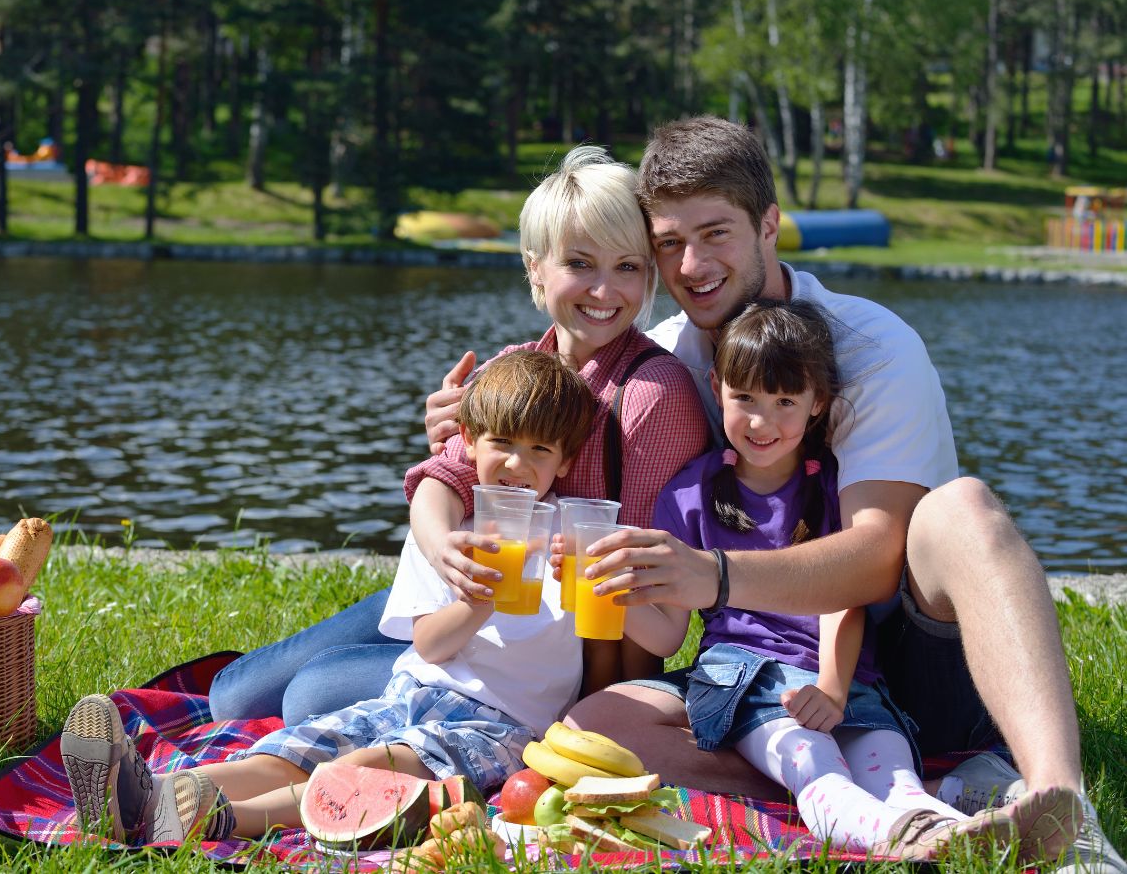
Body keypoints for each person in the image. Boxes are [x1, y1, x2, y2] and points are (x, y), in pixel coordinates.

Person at [537, 115, 1114, 871]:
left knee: (962, 508)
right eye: (670, 244)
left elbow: (877, 557)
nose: (692, 263)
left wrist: (712, 574)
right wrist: (464, 424)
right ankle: (879, 799)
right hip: (758, 675)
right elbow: (568, 364)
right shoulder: (676, 355)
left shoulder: (871, 345)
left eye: (716, 233)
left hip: (905, 657)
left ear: (771, 225)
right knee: (594, 730)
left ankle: (1059, 806)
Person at [61, 352, 687, 843]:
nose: (518, 463)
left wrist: (615, 587)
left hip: (501, 725)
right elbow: (428, 643)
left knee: (371, 766)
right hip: (408, 693)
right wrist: (478, 601)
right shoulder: (450, 536)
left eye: (539, 450)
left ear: (564, 461)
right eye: (502, 442)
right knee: (297, 749)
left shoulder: (574, 539)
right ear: (468, 441)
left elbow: (661, 639)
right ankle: (147, 793)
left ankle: (220, 819)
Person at [207, 145, 709, 724]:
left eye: (627, 267)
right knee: (232, 699)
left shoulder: (652, 395)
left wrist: (601, 705)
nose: (604, 291)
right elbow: (443, 477)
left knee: (309, 696)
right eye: (579, 264)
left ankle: (387, 682)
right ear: (534, 268)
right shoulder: (513, 366)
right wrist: (442, 547)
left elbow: (650, 593)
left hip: (547, 655)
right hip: (469, 594)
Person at [619, 297, 1080, 861]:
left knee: (895, 773)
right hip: (748, 680)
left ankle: (939, 822)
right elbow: (667, 637)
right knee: (815, 769)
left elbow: (843, 595)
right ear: (716, 389)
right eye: (745, 399)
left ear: (818, 404)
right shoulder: (689, 495)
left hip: (851, 681)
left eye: (785, 401)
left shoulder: (834, 486)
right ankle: (899, 839)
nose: (762, 422)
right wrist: (613, 594)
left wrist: (835, 687)